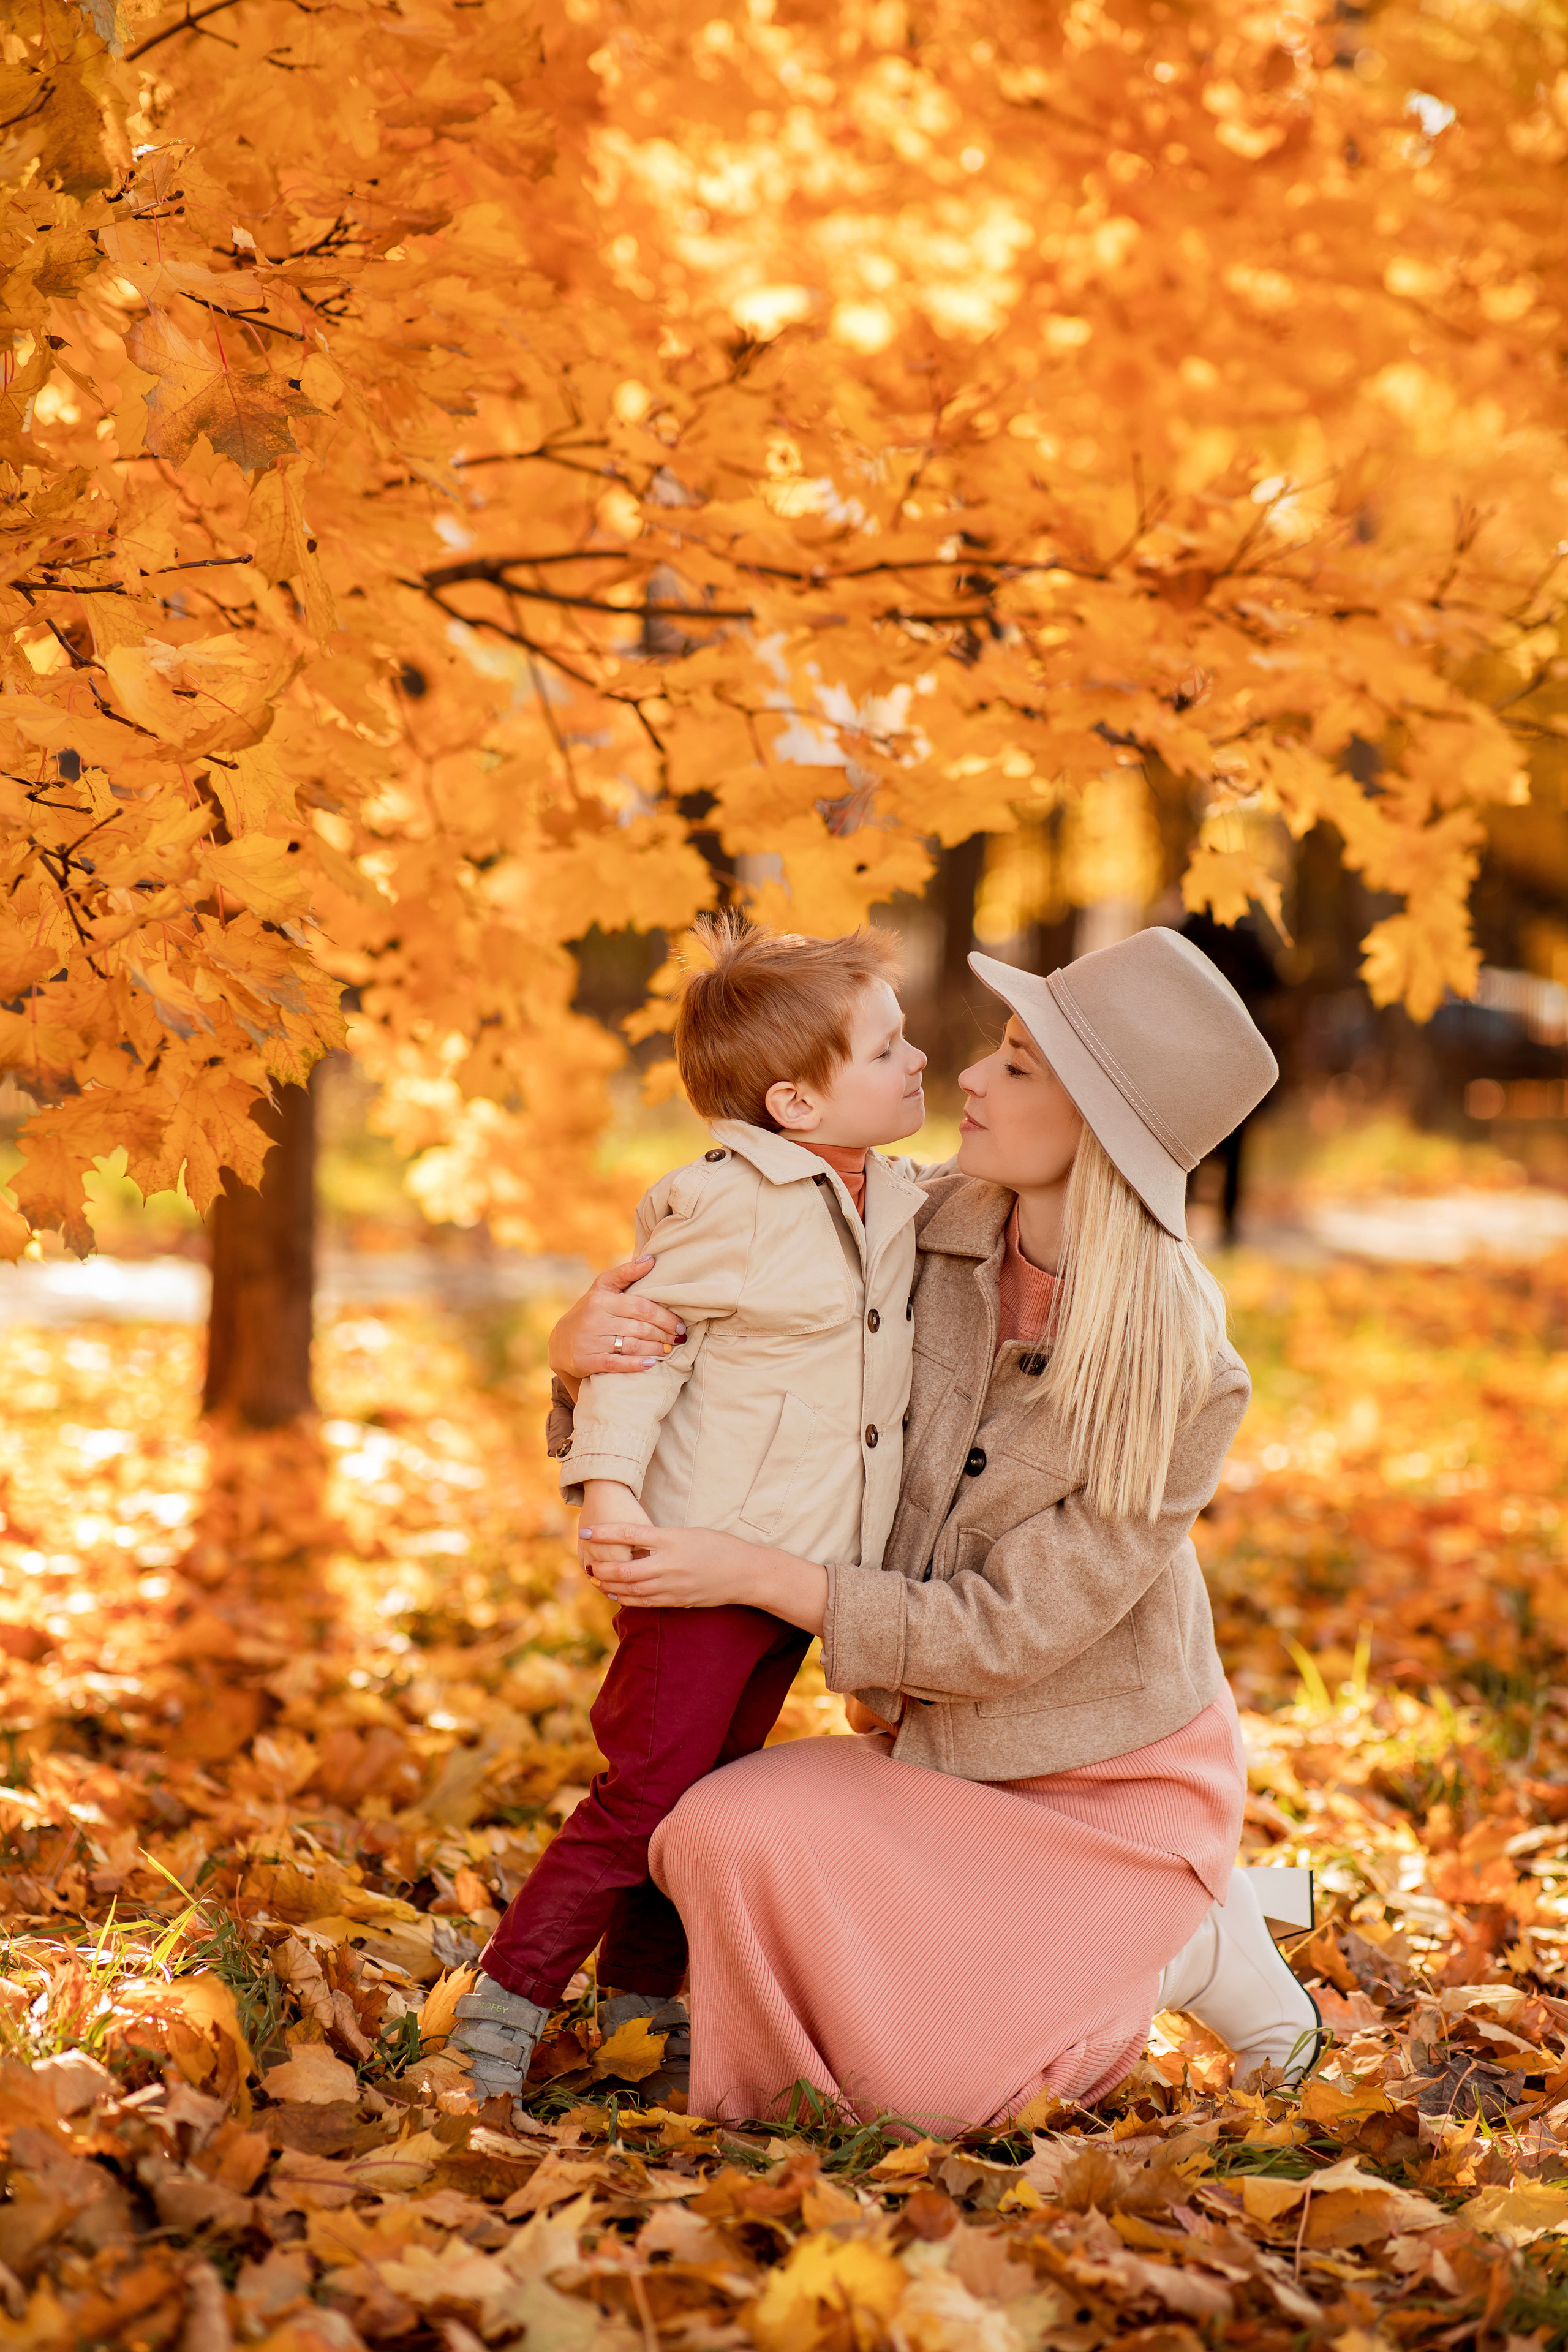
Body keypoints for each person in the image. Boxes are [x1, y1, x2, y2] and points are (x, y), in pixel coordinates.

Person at [559, 925, 1324, 2128]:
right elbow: (723, 1350)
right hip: (940, 1758)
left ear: (1099, 1124)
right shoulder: (912, 1228)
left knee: (925, 2098)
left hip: (1110, 1782)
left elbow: (1003, 1636)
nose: (966, 1074)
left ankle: (1188, 1937)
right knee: (706, 1835)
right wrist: (582, 1357)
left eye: (1017, 1065)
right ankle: (1031, 1956)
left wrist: (755, 1573)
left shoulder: (1180, 1365)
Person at [451, 916, 929, 2098]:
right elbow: (637, 1353)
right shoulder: (726, 1206)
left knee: (706, 1795)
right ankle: (502, 2007)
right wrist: (609, 1495)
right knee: (647, 1795)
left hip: (796, 1569)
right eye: (885, 1048)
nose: (917, 1060)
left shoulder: (901, 1197)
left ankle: (639, 2012)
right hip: (697, 1568)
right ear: (795, 1107)